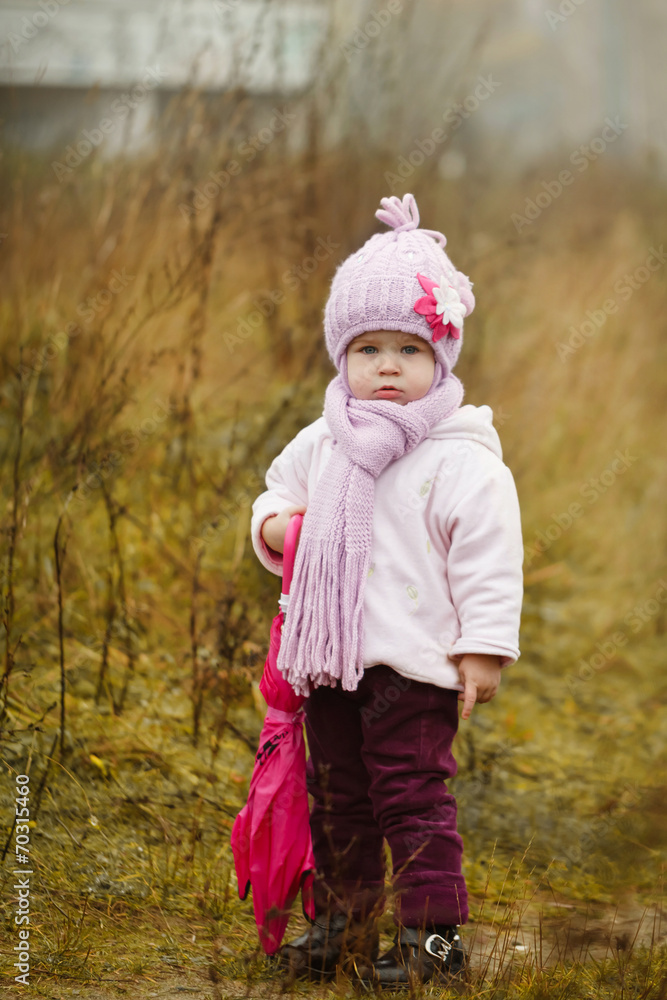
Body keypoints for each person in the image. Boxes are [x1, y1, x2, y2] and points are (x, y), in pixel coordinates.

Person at [250, 192, 523, 986]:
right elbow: (275, 494)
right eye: (367, 348)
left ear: (440, 357)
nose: (386, 366)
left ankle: (432, 941)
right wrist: (273, 528)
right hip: (332, 662)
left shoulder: (461, 455)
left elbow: (487, 556)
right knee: (338, 799)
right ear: (342, 356)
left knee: (412, 799)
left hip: (415, 666)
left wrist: (481, 649)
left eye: (407, 348)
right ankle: (343, 925)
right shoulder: (324, 438)